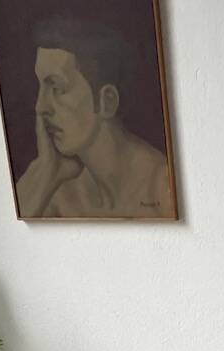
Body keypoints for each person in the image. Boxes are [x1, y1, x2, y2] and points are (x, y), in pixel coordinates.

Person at [16, 16, 172, 219]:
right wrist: (45, 170)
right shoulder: (58, 189)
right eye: (41, 87)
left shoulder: (162, 185)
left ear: (106, 101)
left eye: (56, 87)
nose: (40, 107)